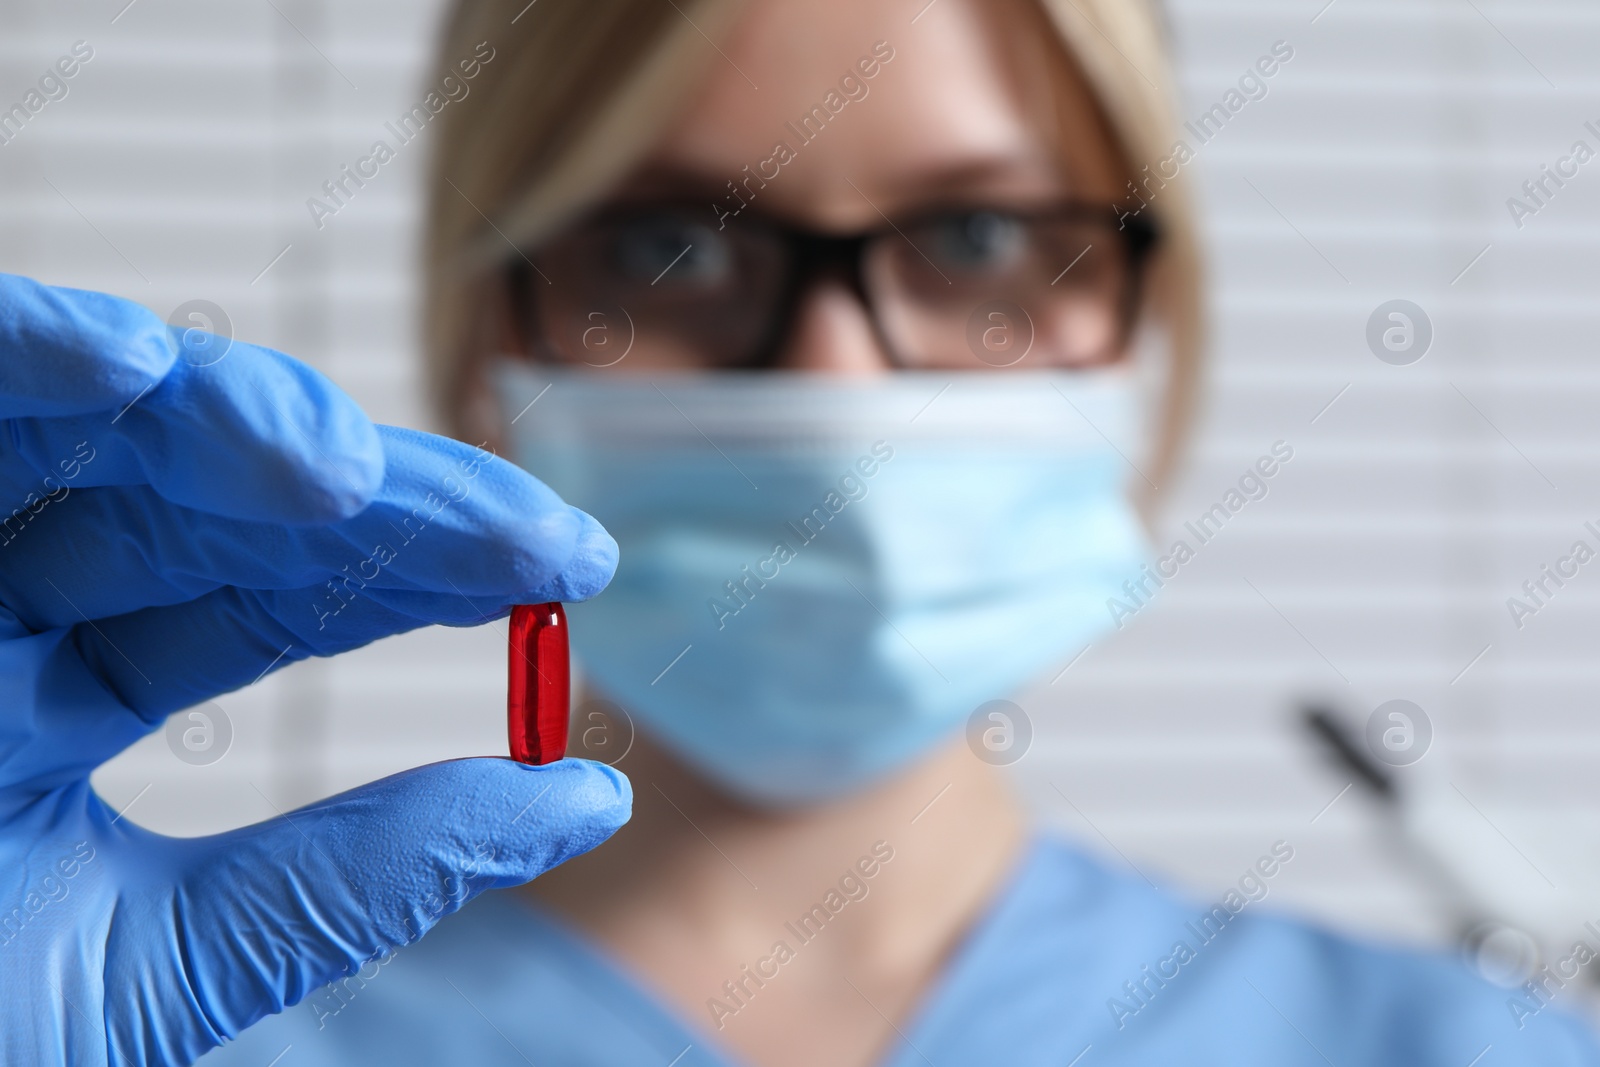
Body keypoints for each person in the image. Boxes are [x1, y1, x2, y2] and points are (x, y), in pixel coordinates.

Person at [5, 1, 1595, 1066]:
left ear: (1138, 315)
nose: (840, 379)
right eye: (673, 246)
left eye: (977, 240)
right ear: (484, 341)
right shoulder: (155, 1022)